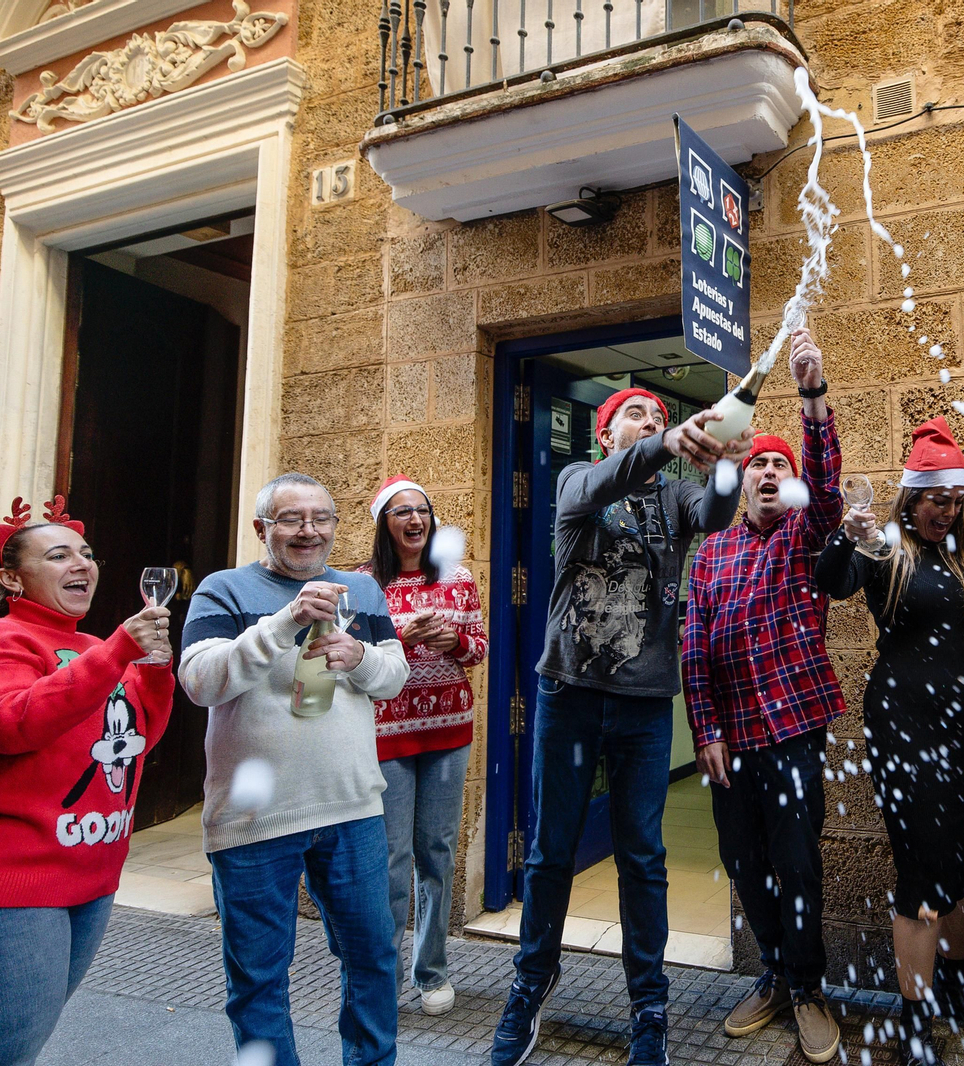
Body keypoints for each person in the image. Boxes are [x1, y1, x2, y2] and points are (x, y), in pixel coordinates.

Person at [491, 387, 753, 1066]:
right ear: (605, 434)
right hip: (570, 695)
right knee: (551, 850)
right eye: (636, 417)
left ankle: (649, 1003)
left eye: (661, 419)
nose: (653, 423)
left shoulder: (674, 499)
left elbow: (718, 510)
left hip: (641, 706)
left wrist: (724, 463)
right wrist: (662, 443)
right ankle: (532, 977)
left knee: (642, 856)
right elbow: (603, 481)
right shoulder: (581, 480)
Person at [179, 472, 409, 1066]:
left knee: (373, 958)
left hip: (351, 805)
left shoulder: (361, 589)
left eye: (322, 519)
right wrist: (283, 625)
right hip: (253, 817)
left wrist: (358, 657)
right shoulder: (222, 590)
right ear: (262, 529)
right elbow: (200, 683)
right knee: (258, 977)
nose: (309, 531)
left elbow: (393, 678)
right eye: (291, 519)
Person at [0, 495, 174, 1066]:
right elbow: (8, 724)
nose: (83, 564)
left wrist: (153, 671)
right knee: (0, 1053)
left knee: (15, 1044)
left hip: (88, 879)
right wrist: (122, 649)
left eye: (87, 553)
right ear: (11, 577)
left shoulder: (95, 648)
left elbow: (136, 740)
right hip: (4, 886)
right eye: (58, 555)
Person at [815, 417, 964, 1066]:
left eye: (955, 502)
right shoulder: (885, 546)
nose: (946, 513)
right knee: (922, 874)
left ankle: (959, 986)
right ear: (910, 496)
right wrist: (848, 533)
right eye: (935, 501)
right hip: (906, 732)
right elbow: (831, 582)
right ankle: (914, 1014)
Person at [683, 328, 844, 1063]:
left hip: (792, 733)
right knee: (744, 863)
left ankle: (808, 988)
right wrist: (707, 730)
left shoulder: (804, 536)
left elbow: (831, 486)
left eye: (782, 464)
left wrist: (813, 400)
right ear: (743, 479)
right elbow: (693, 648)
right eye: (761, 464)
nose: (773, 472)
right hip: (732, 738)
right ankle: (776, 973)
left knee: (798, 862)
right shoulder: (712, 549)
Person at [359, 474, 488, 1017]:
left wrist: (453, 640)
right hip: (385, 734)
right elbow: (344, 657)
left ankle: (431, 970)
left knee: (437, 852)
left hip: (448, 730)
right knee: (390, 857)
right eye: (401, 512)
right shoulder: (362, 585)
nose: (415, 520)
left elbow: (477, 648)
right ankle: (382, 975)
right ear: (384, 525)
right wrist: (397, 641)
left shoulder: (458, 580)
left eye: (422, 510)